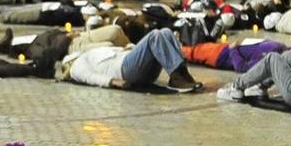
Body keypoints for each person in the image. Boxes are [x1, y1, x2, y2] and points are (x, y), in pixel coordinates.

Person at [56, 28, 204, 93]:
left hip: (131, 65)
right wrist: (112, 82)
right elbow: (91, 77)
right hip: (125, 72)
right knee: (154, 36)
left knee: (165, 32)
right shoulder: (76, 65)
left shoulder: (91, 53)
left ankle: (182, 74)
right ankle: (177, 78)